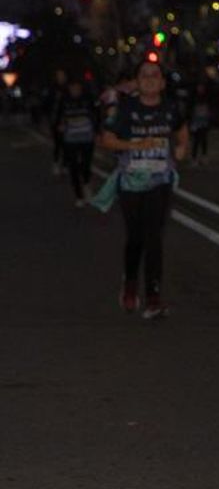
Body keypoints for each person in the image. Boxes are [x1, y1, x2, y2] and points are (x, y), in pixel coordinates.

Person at [98, 61, 189, 318]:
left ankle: (153, 297)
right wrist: (136, 145)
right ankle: (129, 284)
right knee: (136, 238)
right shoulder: (126, 109)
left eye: (155, 75)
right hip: (131, 183)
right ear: (137, 82)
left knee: (154, 237)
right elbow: (106, 138)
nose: (149, 79)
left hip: (160, 182)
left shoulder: (171, 108)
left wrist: (182, 147)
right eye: (144, 76)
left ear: (162, 82)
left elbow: (182, 130)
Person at [54, 76, 99, 207]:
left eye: (77, 88)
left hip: (87, 137)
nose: (75, 90)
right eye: (72, 88)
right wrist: (59, 125)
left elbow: (96, 114)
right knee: (73, 166)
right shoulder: (64, 100)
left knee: (86, 165)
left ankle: (87, 186)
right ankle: (79, 195)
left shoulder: (88, 99)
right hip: (70, 138)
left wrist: (96, 130)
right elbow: (57, 116)